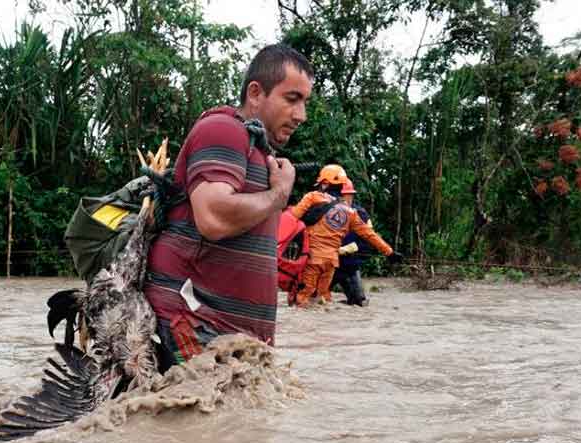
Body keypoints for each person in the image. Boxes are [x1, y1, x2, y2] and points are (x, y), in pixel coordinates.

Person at [142, 44, 314, 370]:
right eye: (292, 99)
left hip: (228, 335)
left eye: (305, 102)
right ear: (255, 93)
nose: (301, 115)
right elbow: (213, 217)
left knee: (235, 421)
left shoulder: (254, 147)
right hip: (195, 322)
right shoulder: (223, 129)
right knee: (195, 419)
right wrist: (279, 195)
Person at [287, 171, 395, 306]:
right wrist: (389, 252)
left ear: (325, 183)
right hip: (332, 263)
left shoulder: (313, 197)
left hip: (314, 259)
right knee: (321, 300)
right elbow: (369, 234)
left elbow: (292, 218)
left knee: (302, 300)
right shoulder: (351, 213)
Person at [332, 182, 402, 306]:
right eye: (341, 195)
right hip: (330, 262)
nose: (343, 198)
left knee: (359, 302)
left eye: (347, 195)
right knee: (314, 297)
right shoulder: (327, 210)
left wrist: (389, 252)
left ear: (351, 196)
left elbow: (369, 237)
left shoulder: (360, 213)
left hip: (350, 264)